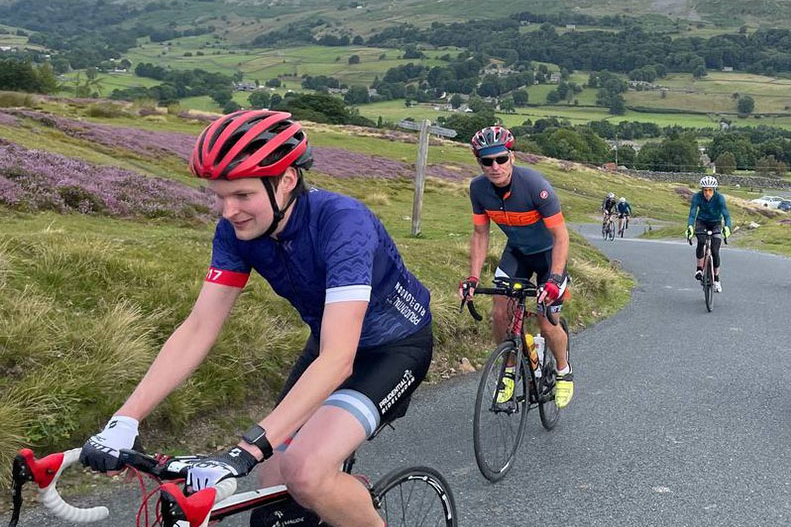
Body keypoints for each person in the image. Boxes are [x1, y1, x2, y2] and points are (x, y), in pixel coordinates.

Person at [80, 109, 434, 527]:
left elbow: (340, 359)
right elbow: (198, 328)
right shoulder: (236, 231)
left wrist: (246, 448)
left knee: (304, 471)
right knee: (273, 479)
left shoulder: (343, 224)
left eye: (242, 195)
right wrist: (126, 418)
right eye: (219, 195)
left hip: (393, 349)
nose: (228, 210)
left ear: (286, 181)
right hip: (328, 343)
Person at [460, 125, 574, 409]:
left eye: (501, 158)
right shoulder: (478, 189)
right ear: (480, 162)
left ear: (512, 156)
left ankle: (563, 370)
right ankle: (509, 370)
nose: (495, 166)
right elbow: (480, 233)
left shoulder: (535, 186)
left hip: (548, 256)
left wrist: (555, 278)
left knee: (548, 325)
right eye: (487, 161)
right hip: (518, 253)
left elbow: (561, 236)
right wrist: (473, 277)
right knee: (499, 312)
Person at [686, 175, 732, 292]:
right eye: (705, 190)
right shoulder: (697, 197)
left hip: (716, 222)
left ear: (714, 190)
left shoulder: (719, 198)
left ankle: (716, 279)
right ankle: (699, 269)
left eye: (710, 190)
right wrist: (690, 227)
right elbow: (692, 214)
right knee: (701, 242)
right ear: (702, 190)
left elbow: (726, 215)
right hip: (701, 222)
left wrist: (727, 227)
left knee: (715, 251)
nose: (707, 193)